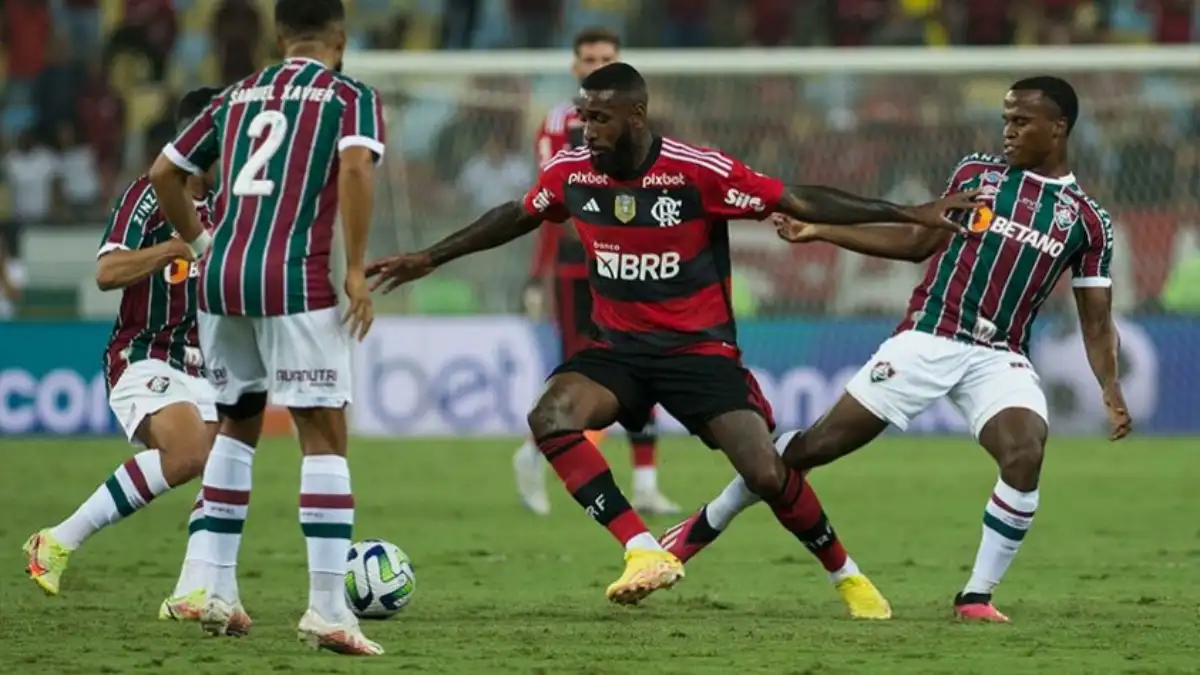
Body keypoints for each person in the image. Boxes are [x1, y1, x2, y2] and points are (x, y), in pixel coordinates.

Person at [365, 62, 976, 607]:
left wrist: (908, 212)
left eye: (600, 118)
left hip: (700, 353)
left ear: (637, 114)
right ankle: (641, 547)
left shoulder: (696, 171)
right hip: (619, 351)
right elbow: (517, 215)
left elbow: (797, 197)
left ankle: (845, 574)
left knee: (766, 472)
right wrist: (430, 257)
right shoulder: (574, 171)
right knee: (551, 416)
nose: (587, 130)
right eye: (582, 116)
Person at [662, 76, 1132, 623]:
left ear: (1059, 128)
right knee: (815, 447)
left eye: (1021, 122)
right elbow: (915, 244)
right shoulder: (976, 176)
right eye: (1005, 119)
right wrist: (819, 231)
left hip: (999, 356)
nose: (1008, 131)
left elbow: (1096, 320)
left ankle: (976, 597)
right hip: (930, 337)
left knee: (1025, 453)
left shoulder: (1087, 220)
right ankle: (704, 524)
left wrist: (1110, 386)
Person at [148, 0, 385, 656]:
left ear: (280, 35)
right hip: (294, 279)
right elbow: (358, 168)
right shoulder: (349, 95)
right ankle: (329, 607)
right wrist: (357, 269)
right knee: (324, 431)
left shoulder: (236, 94)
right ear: (341, 35)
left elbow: (165, 173)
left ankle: (216, 588)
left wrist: (200, 242)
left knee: (239, 422)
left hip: (220, 278)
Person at [23, 86, 249, 629]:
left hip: (205, 362)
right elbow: (107, 273)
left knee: (229, 468)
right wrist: (172, 248)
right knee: (192, 452)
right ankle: (55, 541)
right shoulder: (149, 196)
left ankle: (201, 589)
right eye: (225, 144)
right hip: (144, 354)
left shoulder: (230, 202)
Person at [516, 26, 680, 517]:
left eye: (605, 57)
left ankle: (646, 482)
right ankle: (535, 453)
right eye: (588, 58)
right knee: (580, 370)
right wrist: (536, 274)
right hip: (576, 266)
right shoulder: (559, 123)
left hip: (629, 261)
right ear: (574, 67)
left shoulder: (637, 121)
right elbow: (550, 201)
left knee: (644, 358)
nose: (595, 64)